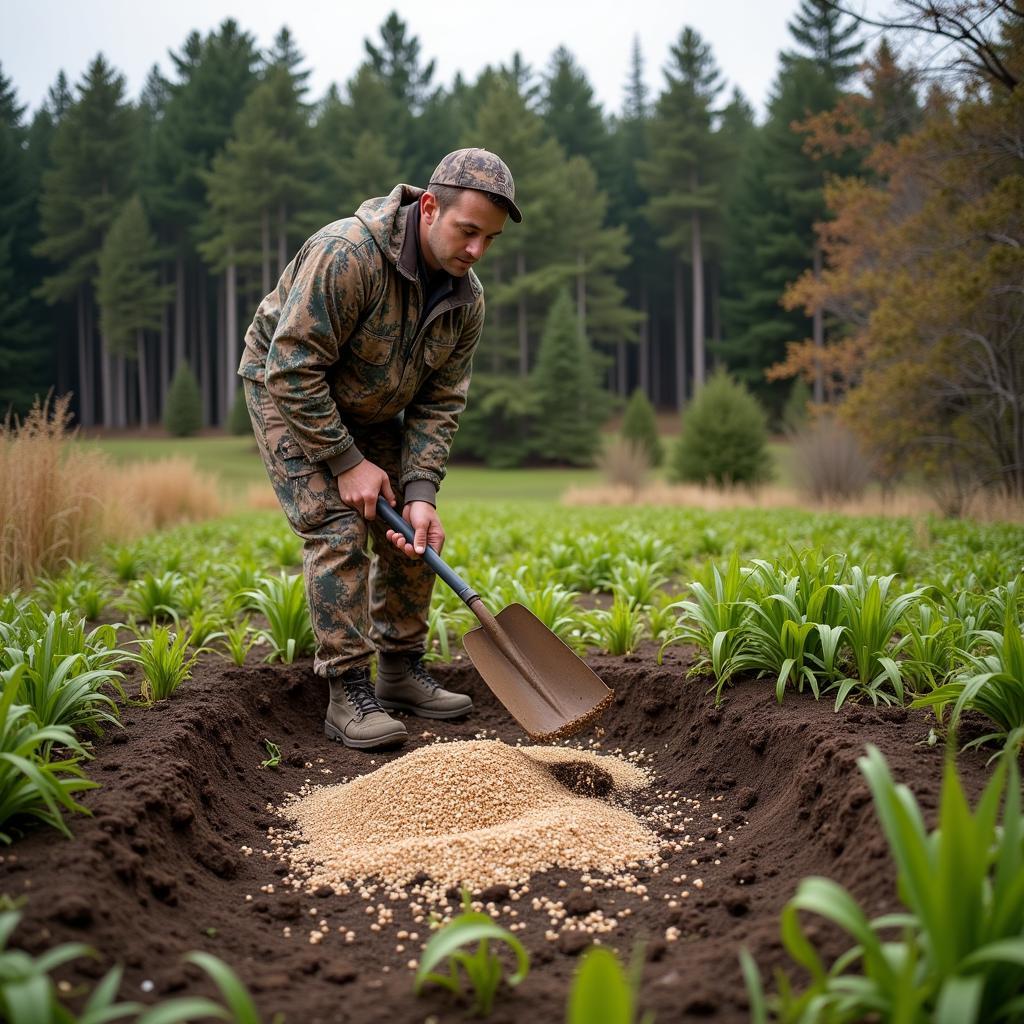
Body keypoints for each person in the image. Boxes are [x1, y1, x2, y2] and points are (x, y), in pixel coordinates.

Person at [238, 148, 521, 750]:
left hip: (365, 404)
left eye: (489, 240)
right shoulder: (348, 254)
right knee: (339, 527)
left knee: (411, 529)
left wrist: (421, 491)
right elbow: (291, 367)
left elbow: (439, 402)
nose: (476, 251)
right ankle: (347, 691)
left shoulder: (466, 301)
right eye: (467, 231)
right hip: (286, 387)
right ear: (428, 206)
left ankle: (398, 670)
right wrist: (345, 463)